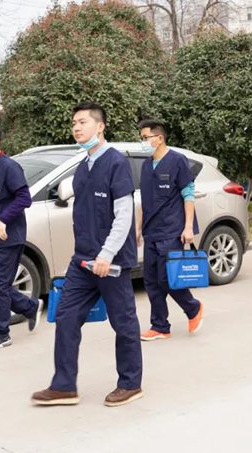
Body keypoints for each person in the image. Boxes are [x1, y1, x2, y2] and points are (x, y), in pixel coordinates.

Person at [32, 102, 143, 408]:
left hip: (111, 262)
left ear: (100, 126)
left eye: (82, 122)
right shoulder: (83, 167)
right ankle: (64, 385)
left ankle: (130, 383)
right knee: (66, 317)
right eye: (74, 123)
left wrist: (107, 254)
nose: (76, 127)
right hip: (82, 260)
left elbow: (124, 214)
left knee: (123, 322)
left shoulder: (116, 162)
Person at [0, 122, 42, 351]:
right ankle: (30, 307)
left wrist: (3, 220)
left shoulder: (10, 167)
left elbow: (24, 198)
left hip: (8, 237)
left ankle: (0, 334)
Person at [135, 119, 204, 342]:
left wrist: (188, 227)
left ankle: (193, 308)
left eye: (145, 137)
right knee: (151, 282)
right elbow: (144, 200)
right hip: (151, 231)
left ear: (159, 138)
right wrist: (138, 228)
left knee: (167, 278)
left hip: (172, 230)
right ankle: (160, 326)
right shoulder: (146, 166)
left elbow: (188, 194)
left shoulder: (177, 161)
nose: (143, 142)